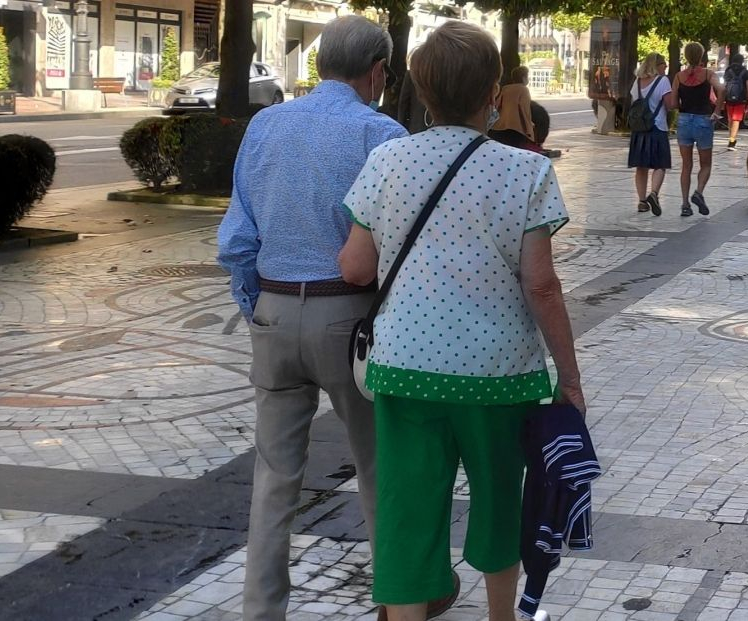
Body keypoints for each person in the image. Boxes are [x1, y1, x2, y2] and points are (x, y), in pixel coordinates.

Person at [338, 20, 585, 621]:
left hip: (405, 371)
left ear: (423, 93)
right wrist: (570, 379)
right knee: (501, 502)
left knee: (406, 511)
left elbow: (355, 266)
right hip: (500, 375)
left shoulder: (386, 160)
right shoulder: (526, 171)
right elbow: (543, 285)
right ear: (493, 95)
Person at [217, 16, 454, 621]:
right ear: (377, 71)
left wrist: (257, 306)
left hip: (272, 311)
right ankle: (399, 602)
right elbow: (397, 244)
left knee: (273, 479)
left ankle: (261, 611)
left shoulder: (264, 125)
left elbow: (236, 239)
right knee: (381, 466)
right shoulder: (379, 133)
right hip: (350, 322)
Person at [671, 42, 724, 217]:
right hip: (703, 120)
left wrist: (680, 107)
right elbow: (722, 89)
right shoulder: (708, 74)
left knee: (686, 165)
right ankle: (699, 192)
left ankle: (685, 204)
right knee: (706, 164)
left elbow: (672, 103)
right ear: (701, 56)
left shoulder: (679, 77)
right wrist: (717, 110)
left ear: (685, 56)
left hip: (685, 120)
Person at [628, 53, 672, 216]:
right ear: (657, 65)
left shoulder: (637, 82)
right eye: (664, 64)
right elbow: (669, 105)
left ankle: (641, 201)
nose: (665, 67)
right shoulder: (663, 81)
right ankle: (653, 193)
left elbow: (634, 102)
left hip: (640, 129)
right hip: (658, 127)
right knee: (660, 164)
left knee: (641, 166)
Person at [489, 65, 539, 151]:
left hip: (499, 127)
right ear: (523, 78)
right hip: (516, 129)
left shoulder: (506, 88)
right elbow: (525, 110)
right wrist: (529, 129)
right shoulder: (524, 90)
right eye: (527, 77)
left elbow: (497, 105)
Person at [722, 53, 748, 150]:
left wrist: (722, 99)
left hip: (729, 98)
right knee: (736, 120)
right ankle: (732, 141)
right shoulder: (745, 72)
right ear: (742, 61)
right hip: (741, 99)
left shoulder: (728, 70)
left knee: (730, 119)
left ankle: (730, 138)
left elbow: (724, 86)